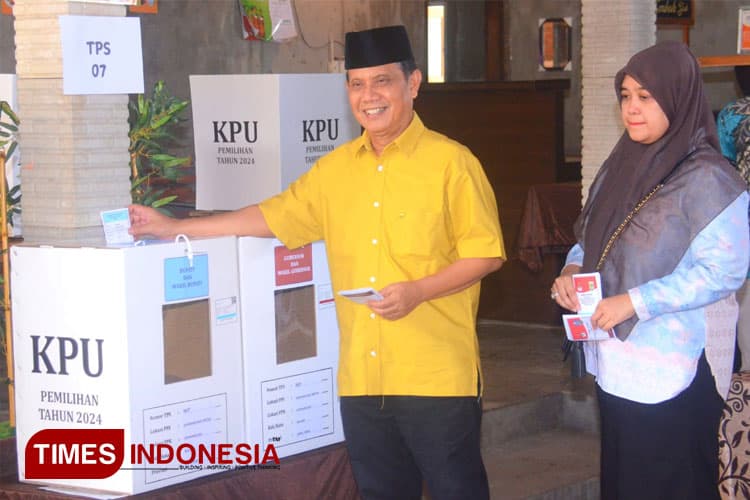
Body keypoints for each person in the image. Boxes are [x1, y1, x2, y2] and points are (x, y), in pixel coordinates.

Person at [129, 25, 505, 500]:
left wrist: (418, 292)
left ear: (412, 84)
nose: (369, 96)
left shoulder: (452, 163)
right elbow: (269, 216)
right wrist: (173, 228)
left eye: (383, 81)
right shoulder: (335, 169)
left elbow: (485, 253)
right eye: (357, 84)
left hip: (436, 378)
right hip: (362, 381)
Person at [550, 41, 749, 500]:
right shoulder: (621, 165)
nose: (632, 108)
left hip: (677, 367)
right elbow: (594, 237)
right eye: (625, 95)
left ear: (678, 97)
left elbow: (724, 271)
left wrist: (635, 302)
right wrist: (573, 266)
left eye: (646, 96)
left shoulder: (710, 178)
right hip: (616, 363)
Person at [717, 65, 750, 371]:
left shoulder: (732, 114)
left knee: (745, 300)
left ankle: (746, 375)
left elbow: (723, 168)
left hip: (743, 214)